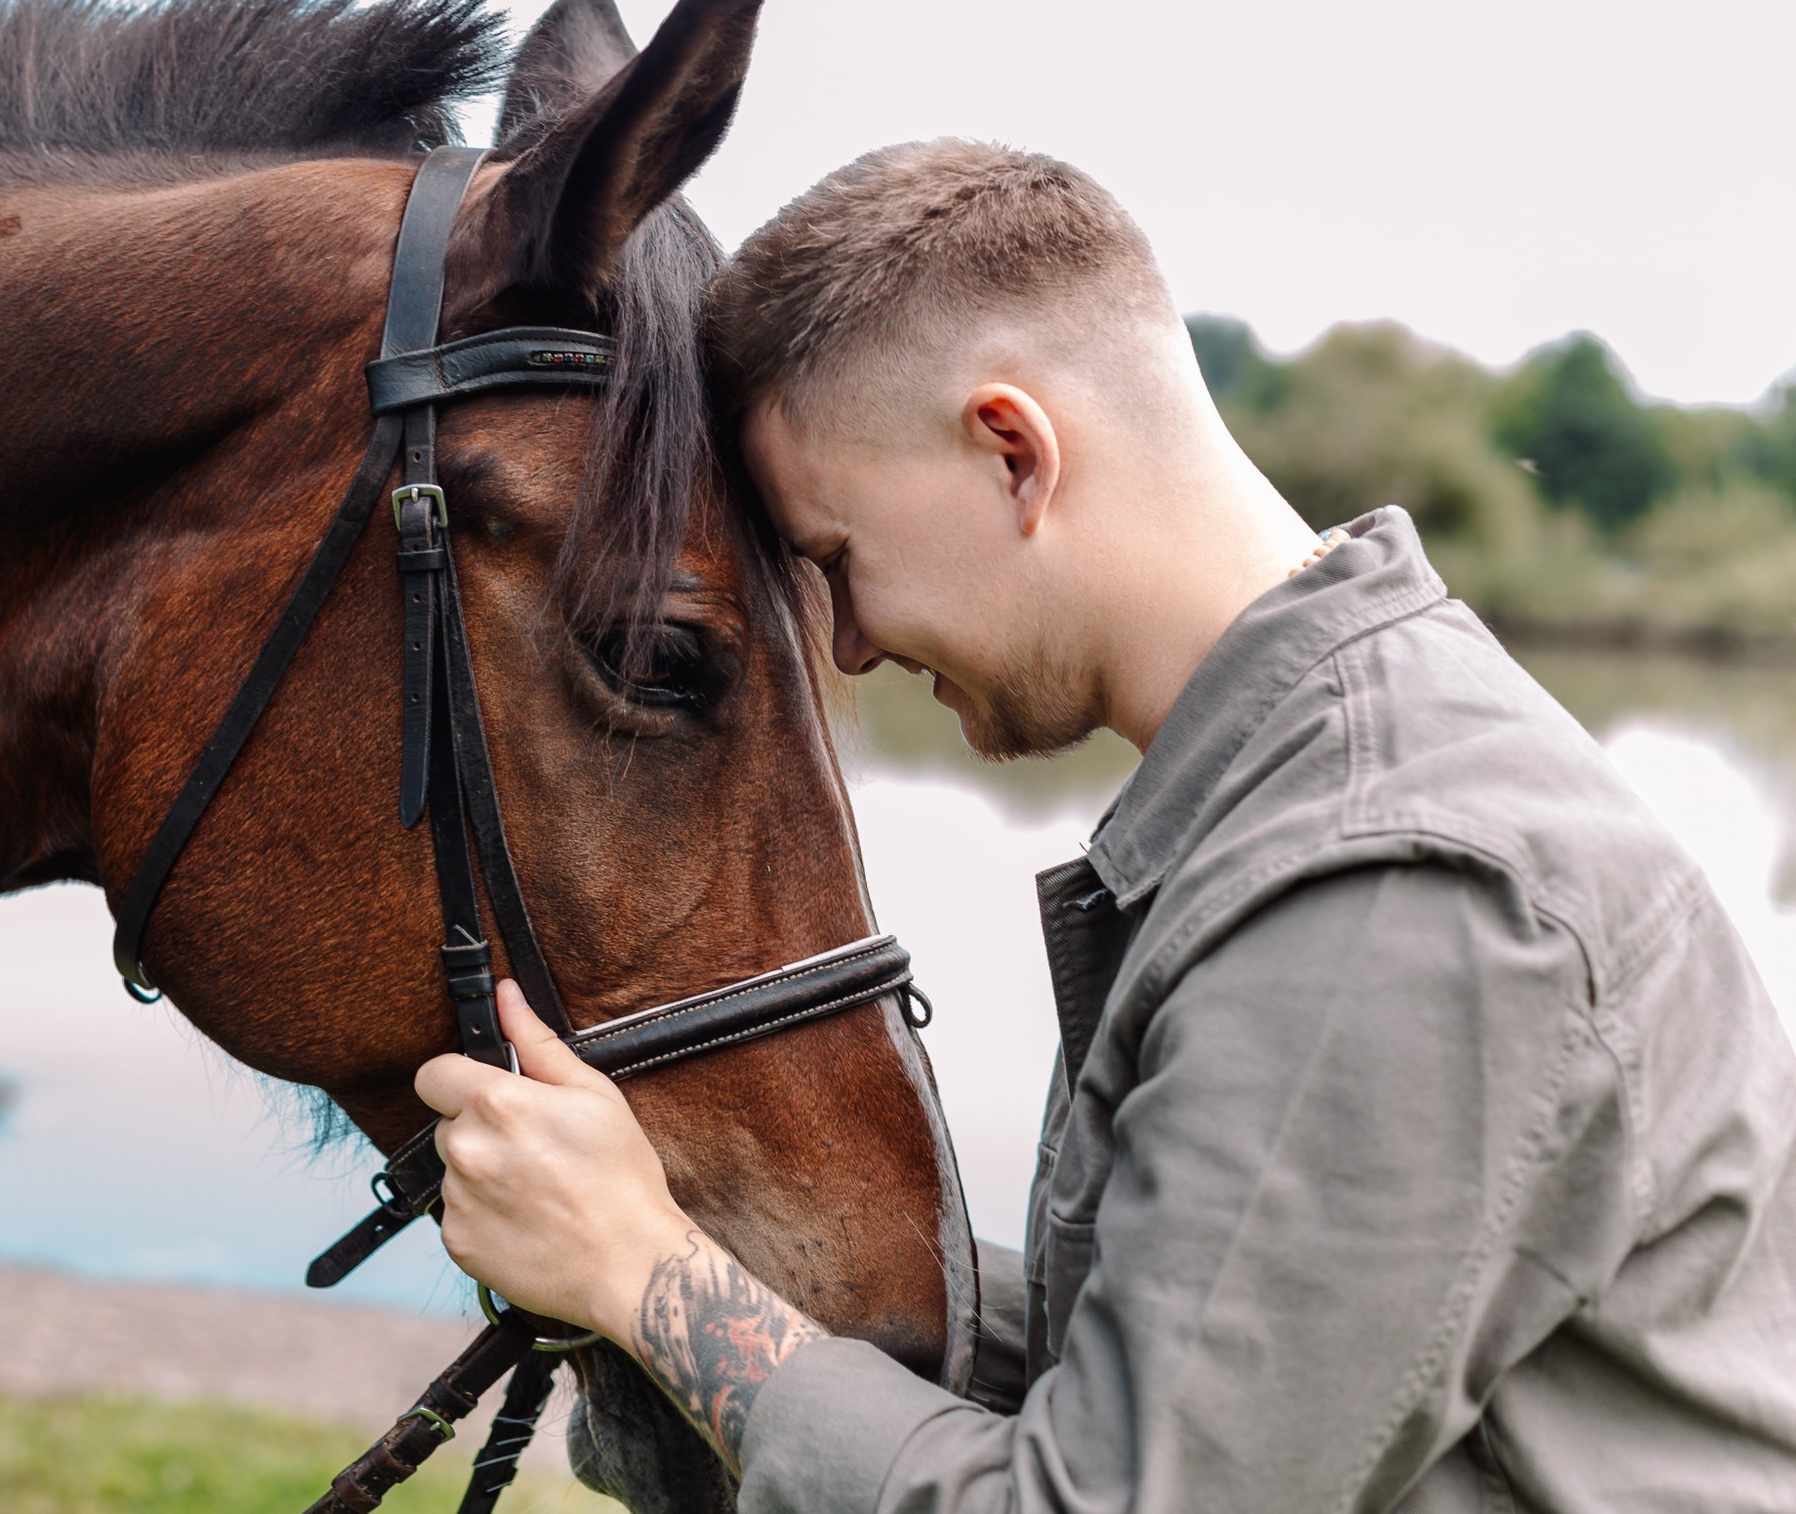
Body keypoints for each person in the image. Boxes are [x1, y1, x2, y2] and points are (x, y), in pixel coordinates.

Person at [414, 139, 1796, 1512]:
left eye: (836, 560)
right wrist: (693, 1230)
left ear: (1013, 453)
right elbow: (1194, 1354)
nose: (847, 647)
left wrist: (646, 1274)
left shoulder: (1392, 887)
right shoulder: (1324, 781)